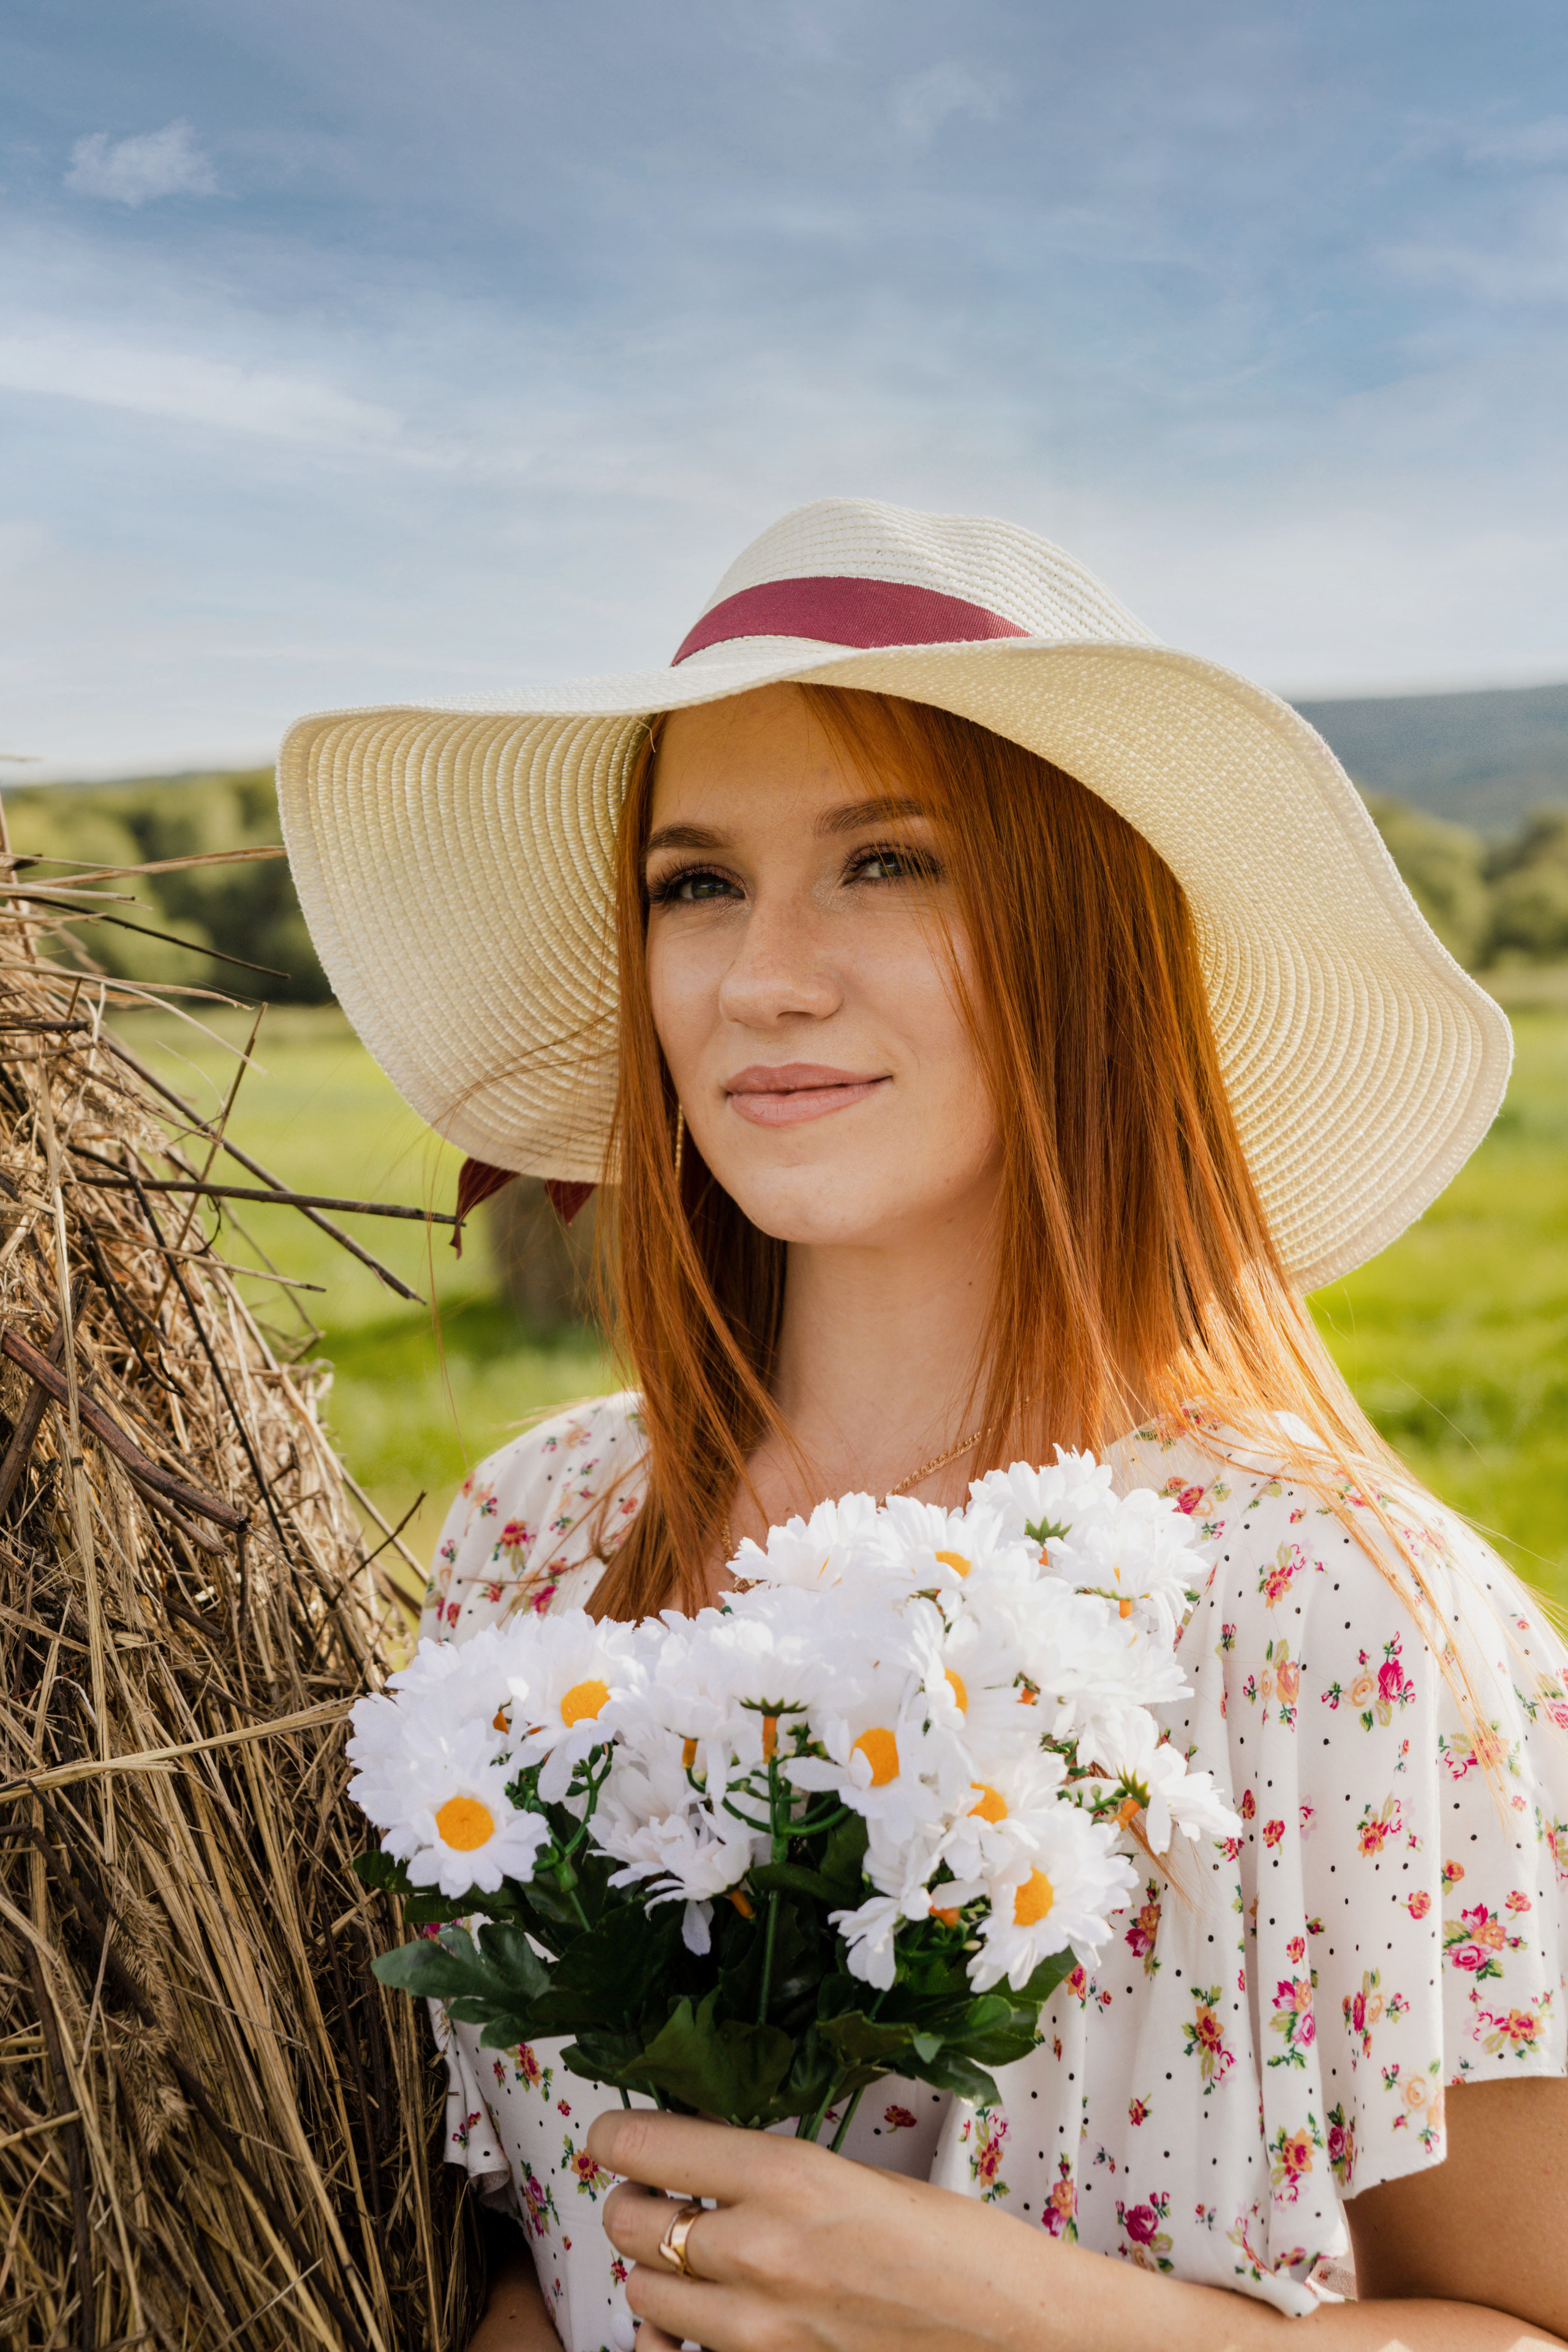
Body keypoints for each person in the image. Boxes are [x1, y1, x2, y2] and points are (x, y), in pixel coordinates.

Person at [281, 499, 1568, 2350]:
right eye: (694, 882)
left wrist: (1007, 2315)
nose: (763, 976)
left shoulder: (1333, 1616)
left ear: (1082, 941)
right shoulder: (539, 1535)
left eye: (887, 863)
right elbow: (494, 2233)